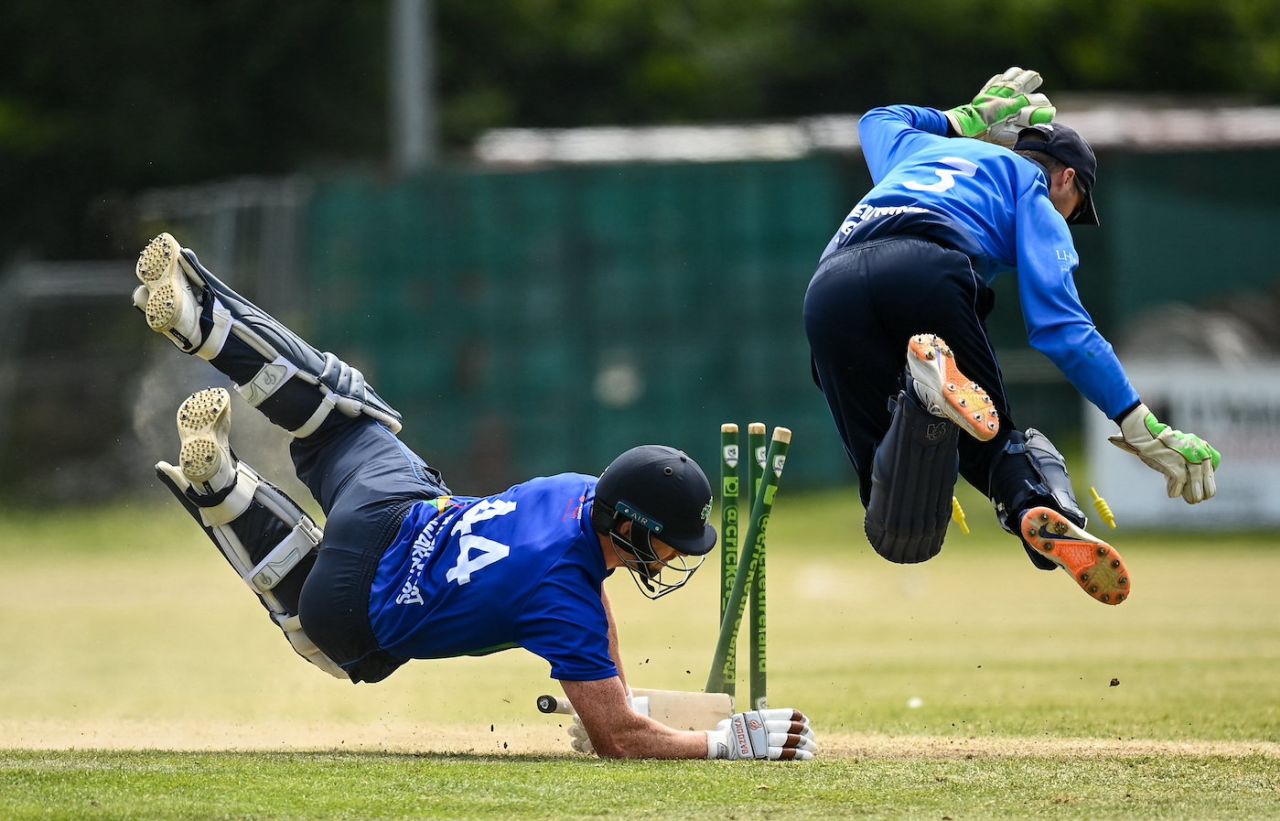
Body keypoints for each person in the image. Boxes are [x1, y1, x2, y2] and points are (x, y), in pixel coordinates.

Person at [132, 232, 816, 761]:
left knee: (347, 412)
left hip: (389, 507)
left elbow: (593, 595)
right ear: (632, 529)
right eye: (670, 539)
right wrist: (729, 741)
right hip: (353, 604)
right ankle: (219, 484)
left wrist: (613, 690)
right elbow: (620, 740)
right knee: (323, 638)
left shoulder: (576, 494)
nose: (675, 554)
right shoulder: (561, 597)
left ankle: (203, 319)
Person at [802, 68, 1221, 605]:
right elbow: (1061, 328)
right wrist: (1137, 422)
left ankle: (947, 425)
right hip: (928, 269)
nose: (1069, 221)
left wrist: (963, 118)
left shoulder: (921, 153)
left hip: (829, 289)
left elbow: (877, 120)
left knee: (896, 522)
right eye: (1076, 211)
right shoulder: (1033, 191)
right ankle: (1038, 499)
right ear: (1066, 178)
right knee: (995, 437)